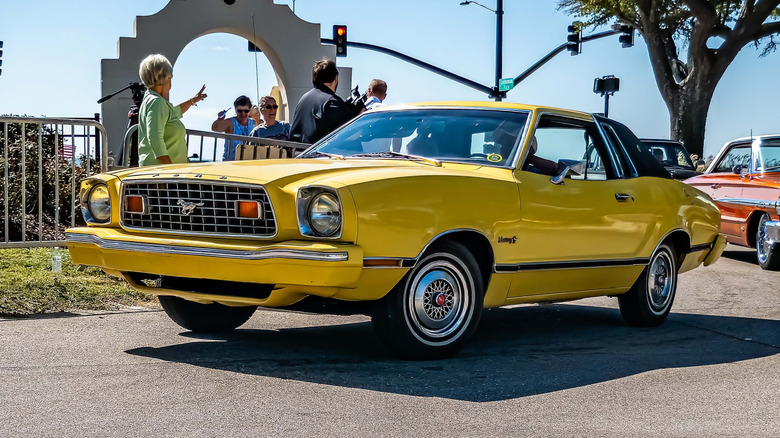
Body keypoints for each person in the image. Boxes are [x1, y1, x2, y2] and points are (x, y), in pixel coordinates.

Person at [137, 54, 207, 166]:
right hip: (161, 173)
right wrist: (170, 168)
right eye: (170, 77)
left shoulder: (151, 99)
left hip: (161, 172)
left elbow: (174, 113)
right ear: (165, 78)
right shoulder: (156, 102)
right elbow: (155, 138)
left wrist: (193, 100)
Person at [289, 58, 362, 144]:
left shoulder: (303, 98)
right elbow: (351, 129)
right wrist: (360, 111)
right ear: (335, 79)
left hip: (297, 150)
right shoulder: (331, 101)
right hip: (317, 151)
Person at [212, 95, 255, 161]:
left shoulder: (254, 123)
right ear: (235, 110)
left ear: (249, 110)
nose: (243, 114)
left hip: (248, 163)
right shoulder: (230, 123)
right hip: (231, 163)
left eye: (246, 111)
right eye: (240, 111)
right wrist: (220, 119)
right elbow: (215, 128)